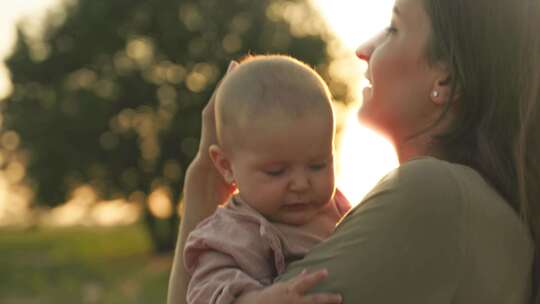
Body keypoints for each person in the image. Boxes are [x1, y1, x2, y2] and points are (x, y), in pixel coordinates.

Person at [168, 0, 540, 303]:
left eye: (393, 29)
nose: (363, 50)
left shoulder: (434, 192)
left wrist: (203, 182)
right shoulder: (467, 202)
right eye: (277, 171)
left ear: (444, 77)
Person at [184, 55, 350, 304]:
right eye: (276, 171)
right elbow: (207, 293)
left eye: (318, 166)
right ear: (226, 165)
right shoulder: (234, 232)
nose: (301, 184)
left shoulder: (338, 208)